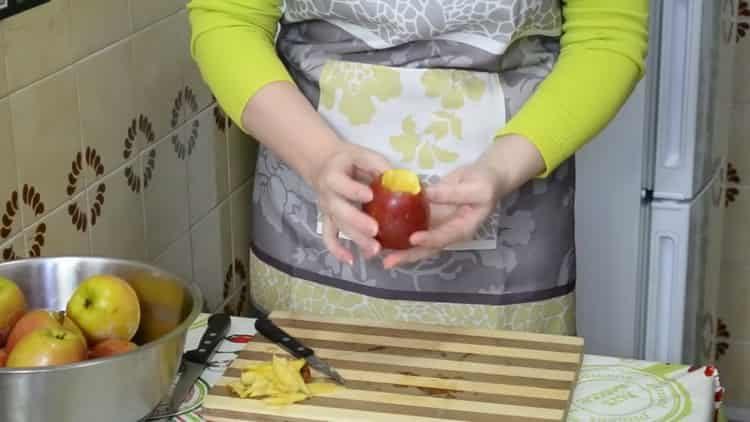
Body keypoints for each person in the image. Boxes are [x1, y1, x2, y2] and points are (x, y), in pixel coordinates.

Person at [188, 0, 648, 334]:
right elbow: (228, 17)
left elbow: (607, 34)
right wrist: (319, 158)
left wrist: (502, 168)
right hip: (314, 203)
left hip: (513, 203)